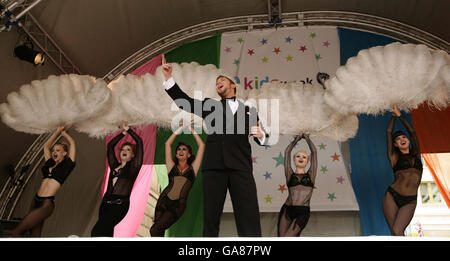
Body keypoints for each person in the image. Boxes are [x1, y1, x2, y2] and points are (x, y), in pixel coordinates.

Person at [161, 56, 269, 237]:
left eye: (223, 80)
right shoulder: (210, 106)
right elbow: (184, 101)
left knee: (248, 215)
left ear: (233, 85)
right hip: (214, 167)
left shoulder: (249, 110)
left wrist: (261, 135)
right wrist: (169, 78)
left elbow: (263, 137)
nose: (218, 82)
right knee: (210, 217)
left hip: (241, 168)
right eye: (217, 82)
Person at [11, 126, 76, 237]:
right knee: (34, 235)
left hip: (46, 204)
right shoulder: (49, 163)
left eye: (58, 150)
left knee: (18, 231)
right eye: (53, 150)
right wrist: (56, 132)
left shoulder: (67, 166)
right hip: (36, 200)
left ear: (64, 153)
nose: (54, 152)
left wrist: (64, 134)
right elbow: (46, 147)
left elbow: (73, 145)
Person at [150, 123, 205, 236]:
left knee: (154, 230)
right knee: (158, 231)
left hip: (177, 206)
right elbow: (167, 144)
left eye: (184, 149)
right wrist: (179, 128)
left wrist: (190, 128)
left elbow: (202, 145)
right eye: (179, 149)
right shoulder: (172, 167)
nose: (180, 151)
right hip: (163, 200)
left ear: (189, 155)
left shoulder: (192, 169)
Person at [91, 123, 143, 237]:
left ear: (133, 155)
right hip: (105, 203)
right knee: (105, 232)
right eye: (122, 149)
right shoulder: (114, 165)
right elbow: (110, 145)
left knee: (97, 231)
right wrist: (123, 133)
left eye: (128, 150)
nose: (124, 151)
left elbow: (139, 142)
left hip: (120, 205)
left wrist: (129, 130)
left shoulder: (134, 168)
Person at [383, 105, 422, 236]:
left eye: (403, 137)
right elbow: (388, 132)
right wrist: (393, 118)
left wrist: (400, 116)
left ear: (408, 140)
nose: (402, 139)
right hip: (392, 196)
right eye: (398, 139)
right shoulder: (394, 157)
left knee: (398, 230)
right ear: (395, 144)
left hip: (410, 200)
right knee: (395, 233)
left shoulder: (416, 154)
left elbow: (412, 132)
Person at [278, 133, 317, 237]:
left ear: (307, 161)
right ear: (294, 160)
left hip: (302, 212)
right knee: (281, 239)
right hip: (287, 210)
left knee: (288, 238)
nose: (301, 158)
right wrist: (296, 139)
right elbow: (287, 152)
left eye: (304, 157)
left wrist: (307, 138)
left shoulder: (311, 175)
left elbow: (314, 152)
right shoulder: (290, 174)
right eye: (298, 156)